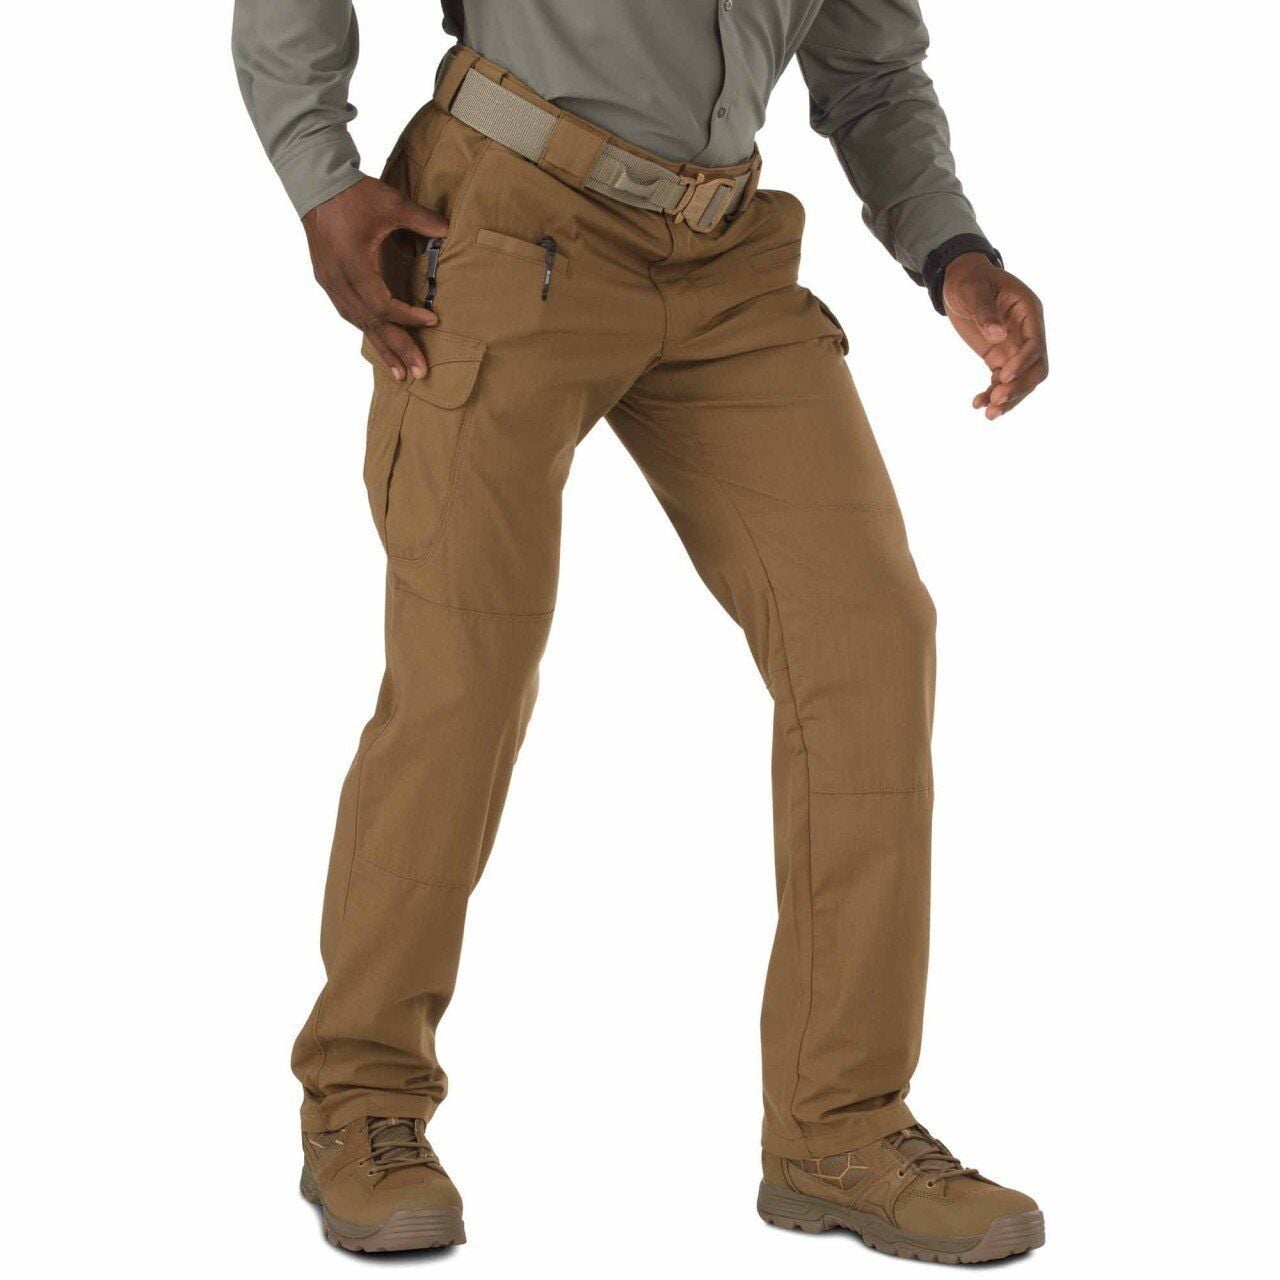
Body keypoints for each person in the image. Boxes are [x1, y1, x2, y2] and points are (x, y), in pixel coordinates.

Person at [233, 0, 1048, 1262]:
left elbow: (871, 73)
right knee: (467, 670)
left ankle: (837, 1127)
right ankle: (361, 1100)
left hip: (724, 259)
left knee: (869, 639)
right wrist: (317, 175)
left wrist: (952, 253)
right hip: (502, 223)